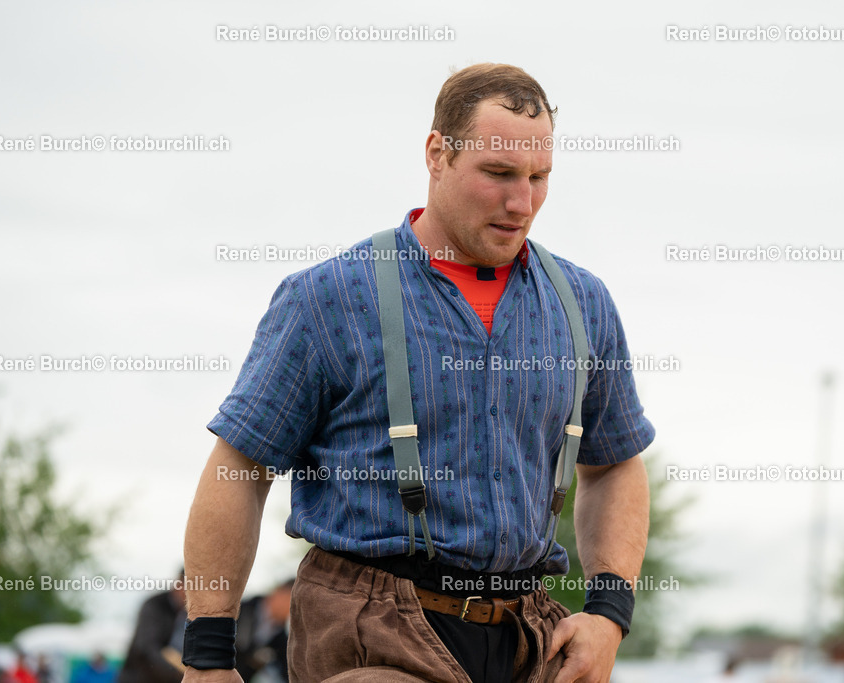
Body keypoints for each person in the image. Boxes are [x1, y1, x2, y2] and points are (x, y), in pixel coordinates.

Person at [183, 62, 654, 683]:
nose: (523, 203)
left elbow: (615, 463)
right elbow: (239, 468)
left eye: (540, 177)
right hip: (372, 627)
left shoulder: (583, 303)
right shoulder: (328, 298)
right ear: (437, 154)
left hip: (528, 633)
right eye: (499, 174)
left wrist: (608, 613)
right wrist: (208, 659)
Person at [116, 572, 186, 683]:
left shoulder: (185, 612)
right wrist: (178, 673)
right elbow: (148, 647)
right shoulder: (154, 605)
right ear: (179, 585)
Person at [235, 580, 293, 682]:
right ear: (280, 593)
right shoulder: (239, 609)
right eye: (294, 603)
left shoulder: (283, 640)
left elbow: (287, 673)